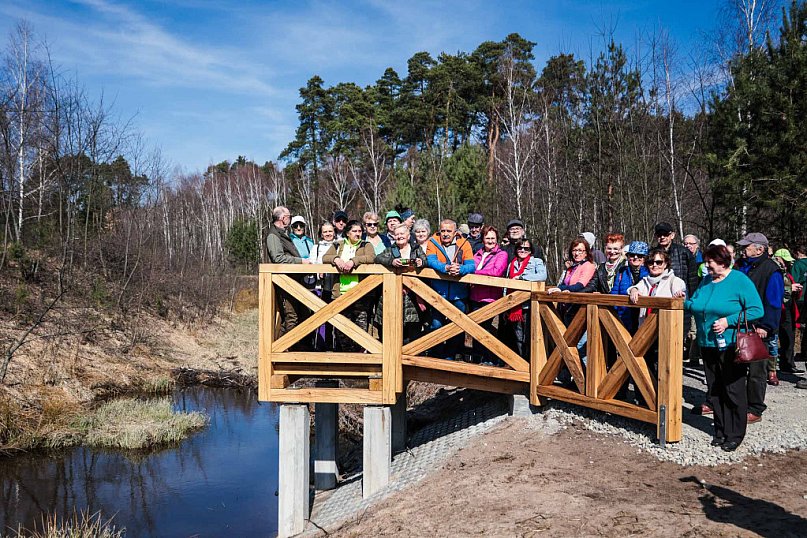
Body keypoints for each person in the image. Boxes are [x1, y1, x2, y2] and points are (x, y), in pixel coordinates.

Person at [685, 243, 764, 451]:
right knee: (715, 388)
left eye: (710, 264)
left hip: (731, 345)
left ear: (722, 262)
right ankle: (720, 430)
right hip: (707, 343)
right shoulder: (706, 281)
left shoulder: (739, 280)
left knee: (733, 388)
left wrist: (728, 321)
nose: (707, 268)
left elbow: (757, 309)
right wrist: (682, 302)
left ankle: (735, 433)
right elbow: (694, 303)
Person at [734, 232, 784, 424]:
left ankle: (755, 408)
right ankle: (738, 403)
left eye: (747, 247)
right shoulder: (740, 266)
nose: (743, 250)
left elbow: (774, 301)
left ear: (759, 249)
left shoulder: (771, 270)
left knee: (756, 371)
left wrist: (767, 326)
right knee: (737, 365)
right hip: (739, 322)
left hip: (759, 326)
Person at [322, 220, 377, 351]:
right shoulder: (337, 245)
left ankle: (359, 356)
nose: (358, 234)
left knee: (360, 326)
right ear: (347, 233)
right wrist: (336, 259)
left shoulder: (366, 245)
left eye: (360, 231)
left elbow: (372, 257)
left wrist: (354, 261)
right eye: (354, 231)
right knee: (342, 327)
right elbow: (325, 257)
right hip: (341, 292)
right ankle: (347, 356)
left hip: (360, 292)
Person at [426, 219, 475, 360]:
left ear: (455, 232)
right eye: (443, 231)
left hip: (458, 293)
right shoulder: (433, 242)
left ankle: (451, 355)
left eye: (449, 231)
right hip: (438, 291)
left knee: (457, 326)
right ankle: (436, 355)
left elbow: (471, 265)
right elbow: (431, 261)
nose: (446, 234)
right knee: (436, 324)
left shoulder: (464, 243)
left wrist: (460, 269)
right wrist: (445, 268)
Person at [374, 224, 427, 342]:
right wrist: (391, 261)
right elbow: (377, 258)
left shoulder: (416, 249)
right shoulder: (391, 250)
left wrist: (420, 262)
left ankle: (412, 358)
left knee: (413, 329)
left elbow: (425, 260)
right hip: (393, 294)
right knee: (392, 329)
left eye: (402, 234)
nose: (399, 236)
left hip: (413, 296)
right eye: (396, 234)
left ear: (408, 236)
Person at [266, 206, 312, 341]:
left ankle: (296, 349)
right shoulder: (273, 235)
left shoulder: (282, 234)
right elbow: (278, 258)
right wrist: (301, 261)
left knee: (303, 315)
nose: (290, 219)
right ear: (283, 218)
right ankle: (284, 351)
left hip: (294, 282)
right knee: (291, 317)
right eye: (289, 217)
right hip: (286, 283)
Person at [500, 238, 547, 359]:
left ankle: (531, 362)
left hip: (529, 304)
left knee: (529, 336)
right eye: (520, 248)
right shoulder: (512, 264)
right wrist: (505, 303)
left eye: (526, 248)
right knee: (518, 336)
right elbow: (507, 284)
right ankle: (521, 361)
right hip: (514, 305)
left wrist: (522, 277)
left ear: (531, 251)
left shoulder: (536, 261)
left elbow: (542, 276)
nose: (523, 250)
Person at [469, 226, 508, 363]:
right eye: (487, 238)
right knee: (475, 328)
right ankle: (477, 359)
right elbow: (469, 266)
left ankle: (489, 359)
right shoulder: (477, 254)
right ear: (483, 239)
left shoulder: (502, 255)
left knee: (485, 329)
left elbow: (496, 272)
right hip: (475, 296)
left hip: (490, 298)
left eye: (493, 238)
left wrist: (474, 273)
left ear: (497, 240)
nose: (490, 241)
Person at [773, 248, 803, 376]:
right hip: (780, 308)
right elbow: (775, 288)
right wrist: (791, 287)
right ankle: (784, 364)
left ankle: (788, 363)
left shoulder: (785, 272)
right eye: (784, 260)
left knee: (789, 336)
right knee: (784, 336)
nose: (786, 263)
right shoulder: (774, 271)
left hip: (788, 307)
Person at [611, 241, 649, 334]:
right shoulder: (621, 271)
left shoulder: (650, 272)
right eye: (632, 255)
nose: (635, 257)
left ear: (645, 258)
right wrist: (616, 312)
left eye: (640, 255)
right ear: (628, 257)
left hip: (643, 317)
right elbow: (614, 292)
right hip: (624, 316)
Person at [310, 222, 336, 350]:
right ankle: (321, 345)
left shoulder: (339, 245)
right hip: (321, 287)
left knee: (336, 318)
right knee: (322, 317)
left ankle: (333, 345)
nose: (328, 234)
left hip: (336, 287)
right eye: (325, 232)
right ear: (321, 234)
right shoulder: (316, 247)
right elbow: (311, 264)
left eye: (330, 231)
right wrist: (318, 271)